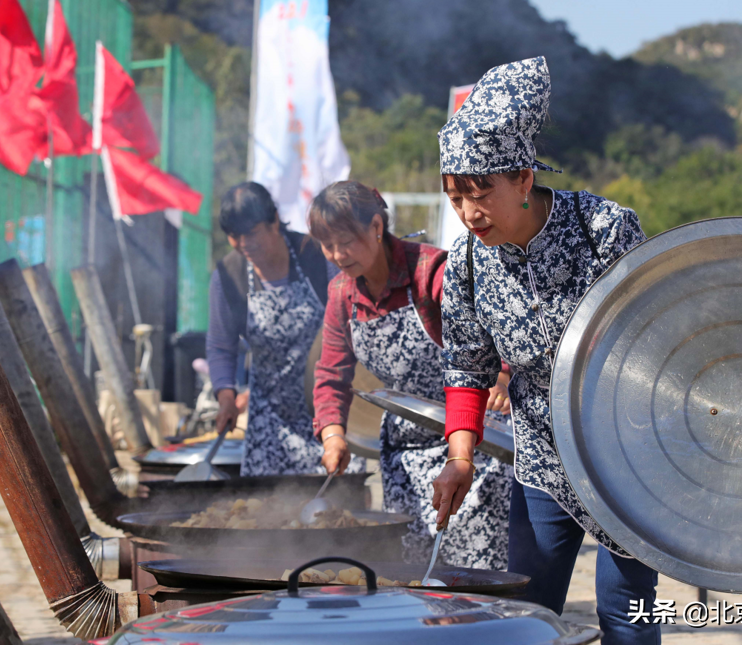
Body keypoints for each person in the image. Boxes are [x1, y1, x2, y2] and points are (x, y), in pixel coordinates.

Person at [431, 57, 659, 644]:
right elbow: (467, 365)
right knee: (528, 619)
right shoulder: (467, 265)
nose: (468, 213)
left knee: (626, 619)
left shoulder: (604, 230)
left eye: (480, 193)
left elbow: (656, 336)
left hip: (629, 456)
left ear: (525, 180)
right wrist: (460, 457)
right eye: (456, 197)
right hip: (542, 458)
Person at [310, 181, 512, 569]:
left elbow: (493, 327)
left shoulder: (431, 272)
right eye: (326, 245)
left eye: (344, 241)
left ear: (375, 227)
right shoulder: (341, 294)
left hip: (473, 444)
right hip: (404, 452)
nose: (337, 255)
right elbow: (331, 373)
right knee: (413, 576)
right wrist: (333, 436)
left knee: (476, 575)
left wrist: (500, 376)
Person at [206, 182, 363, 476]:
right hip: (271, 422)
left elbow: (353, 323)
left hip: (330, 414)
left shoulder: (318, 257)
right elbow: (220, 346)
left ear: (274, 220)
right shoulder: (228, 276)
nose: (243, 244)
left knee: (339, 510)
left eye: (251, 233)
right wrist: (226, 398)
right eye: (234, 236)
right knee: (267, 513)